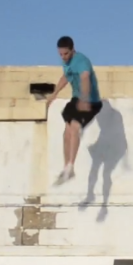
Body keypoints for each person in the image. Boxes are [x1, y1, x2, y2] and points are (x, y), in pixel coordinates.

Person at [45, 36, 103, 185]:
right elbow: (66, 76)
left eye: (66, 54)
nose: (63, 57)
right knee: (67, 132)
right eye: (60, 54)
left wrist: (84, 98)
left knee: (75, 127)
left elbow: (85, 78)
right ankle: (67, 168)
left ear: (73, 50)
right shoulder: (67, 62)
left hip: (90, 101)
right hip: (76, 99)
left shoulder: (81, 61)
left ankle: (71, 165)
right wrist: (54, 94)